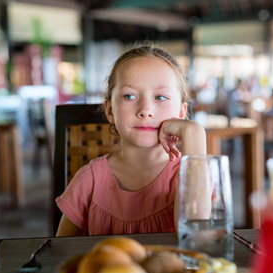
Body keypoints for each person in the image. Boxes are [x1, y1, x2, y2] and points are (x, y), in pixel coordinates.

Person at [55, 45, 207, 236]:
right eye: (130, 96)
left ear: (181, 113)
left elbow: (195, 238)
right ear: (110, 110)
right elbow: (59, 253)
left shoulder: (194, 176)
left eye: (160, 97)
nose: (145, 109)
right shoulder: (90, 180)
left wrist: (194, 133)